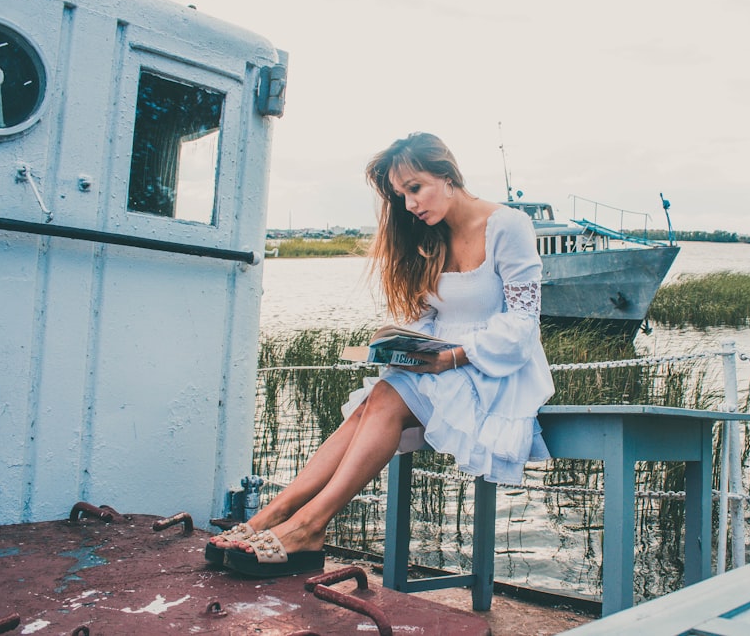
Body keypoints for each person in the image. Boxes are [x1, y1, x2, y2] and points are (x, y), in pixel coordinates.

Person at [208, 132, 555, 577]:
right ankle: (270, 518)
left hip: (493, 369)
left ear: (447, 175)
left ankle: (309, 526)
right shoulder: (433, 235)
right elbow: (432, 317)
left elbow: (524, 324)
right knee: (373, 401)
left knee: (386, 399)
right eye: (401, 195)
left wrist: (452, 356)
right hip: (438, 366)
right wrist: (406, 346)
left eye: (415, 188)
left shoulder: (508, 225)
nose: (409, 204)